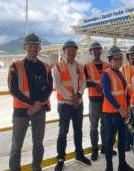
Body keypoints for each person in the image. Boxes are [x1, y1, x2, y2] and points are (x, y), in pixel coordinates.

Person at [8, 33, 53, 171]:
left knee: (38, 143)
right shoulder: (15, 66)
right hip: (21, 111)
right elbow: (13, 89)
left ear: (40, 48)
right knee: (16, 146)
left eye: (36, 45)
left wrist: (39, 104)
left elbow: (49, 88)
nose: (33, 48)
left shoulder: (46, 67)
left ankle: (36, 168)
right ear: (24, 47)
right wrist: (31, 104)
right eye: (30, 45)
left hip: (39, 110)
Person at [53, 40, 91, 171]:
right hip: (65, 105)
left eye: (73, 50)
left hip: (78, 104)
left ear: (76, 52)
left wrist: (79, 95)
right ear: (64, 52)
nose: (70, 52)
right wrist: (71, 98)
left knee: (78, 130)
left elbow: (84, 82)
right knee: (63, 132)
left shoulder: (79, 65)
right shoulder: (57, 66)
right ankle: (60, 159)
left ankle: (79, 155)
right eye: (68, 50)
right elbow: (57, 85)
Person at [102, 45, 134, 171]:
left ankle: (122, 164)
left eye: (120, 59)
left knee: (123, 138)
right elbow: (107, 94)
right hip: (111, 113)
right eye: (116, 59)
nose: (119, 61)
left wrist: (128, 107)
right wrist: (120, 108)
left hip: (123, 112)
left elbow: (125, 92)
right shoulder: (106, 74)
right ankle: (109, 167)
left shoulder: (120, 73)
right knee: (110, 140)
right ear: (110, 60)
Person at [84, 41, 115, 161]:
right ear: (91, 52)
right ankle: (94, 150)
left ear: (101, 51)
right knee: (94, 126)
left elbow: (112, 79)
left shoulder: (107, 65)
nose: (96, 52)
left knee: (105, 125)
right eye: (94, 50)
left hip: (106, 99)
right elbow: (84, 82)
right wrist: (94, 85)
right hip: (94, 100)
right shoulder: (86, 66)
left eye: (98, 49)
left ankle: (105, 148)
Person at [121, 45, 134, 151]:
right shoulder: (124, 68)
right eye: (131, 55)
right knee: (127, 122)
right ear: (128, 56)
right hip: (128, 99)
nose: (133, 56)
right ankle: (127, 142)